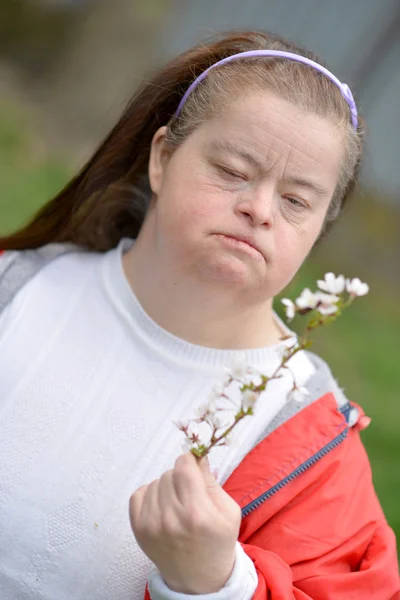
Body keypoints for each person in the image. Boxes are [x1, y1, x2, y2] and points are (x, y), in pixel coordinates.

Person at [0, 29, 398, 600]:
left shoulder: (310, 447)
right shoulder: (16, 287)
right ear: (162, 157)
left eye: (296, 201)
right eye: (234, 170)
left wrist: (219, 583)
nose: (258, 209)